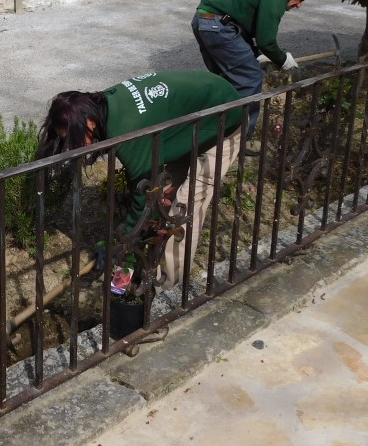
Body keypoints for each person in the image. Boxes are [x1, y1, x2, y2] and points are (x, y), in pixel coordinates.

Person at [37, 70, 244, 290]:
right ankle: (141, 273)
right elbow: (146, 195)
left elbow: (144, 202)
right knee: (161, 201)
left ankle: (164, 289)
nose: (71, 147)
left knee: (182, 209)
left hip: (223, 117)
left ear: (89, 123)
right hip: (191, 119)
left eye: (71, 139)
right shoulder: (101, 106)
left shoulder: (127, 132)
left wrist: (122, 259)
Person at [191, 0, 313, 137]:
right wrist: (284, 61)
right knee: (251, 78)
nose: (299, 5)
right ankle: (238, 139)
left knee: (225, 81)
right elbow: (266, 41)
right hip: (218, 25)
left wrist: (254, 53)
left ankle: (211, 135)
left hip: (204, 20)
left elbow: (246, 27)